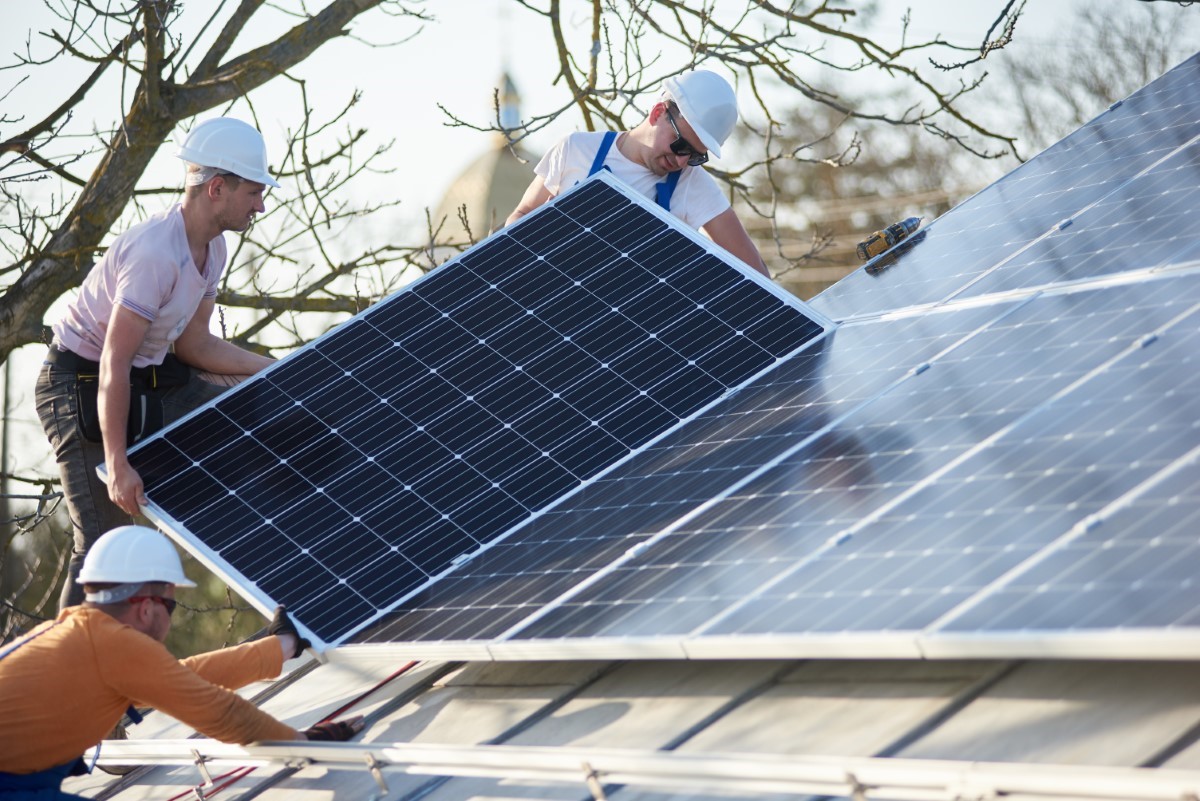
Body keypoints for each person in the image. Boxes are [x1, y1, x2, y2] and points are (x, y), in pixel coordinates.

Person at [36, 117, 281, 610]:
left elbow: (195, 347)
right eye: (254, 192)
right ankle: (57, 673)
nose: (260, 204)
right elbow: (113, 363)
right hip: (79, 386)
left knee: (248, 416)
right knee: (103, 549)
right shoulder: (155, 256)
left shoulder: (215, 247)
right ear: (217, 187)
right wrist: (120, 463)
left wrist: (276, 367)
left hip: (143, 378)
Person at [0, 526, 364, 798]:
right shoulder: (113, 644)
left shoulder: (80, 635)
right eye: (171, 605)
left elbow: (184, 679)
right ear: (146, 607)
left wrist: (279, 648)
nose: (171, 618)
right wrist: (301, 742)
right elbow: (220, 712)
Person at [505, 69, 770, 277]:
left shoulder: (694, 186)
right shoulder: (575, 149)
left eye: (696, 156)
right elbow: (522, 214)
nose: (681, 161)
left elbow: (757, 274)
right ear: (657, 113)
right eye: (680, 145)